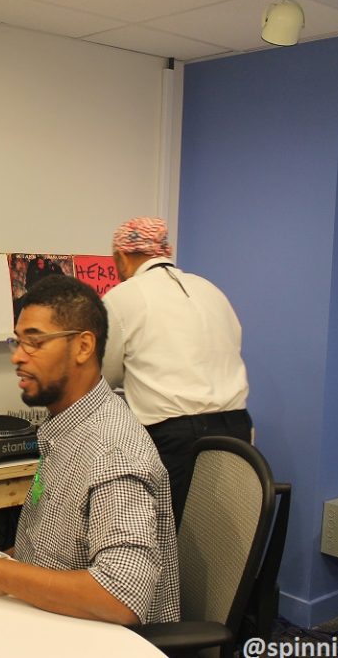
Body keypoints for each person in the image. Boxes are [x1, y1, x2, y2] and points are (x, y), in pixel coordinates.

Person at [0, 275, 179, 625]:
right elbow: (58, 557)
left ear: (83, 347)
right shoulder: (66, 430)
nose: (17, 357)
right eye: (17, 342)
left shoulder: (113, 450)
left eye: (34, 343)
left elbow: (121, 595)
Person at [102, 216, 252, 529]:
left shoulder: (124, 297)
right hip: (237, 430)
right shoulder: (211, 290)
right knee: (220, 538)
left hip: (177, 438)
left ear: (121, 256)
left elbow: (102, 375)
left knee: (164, 539)